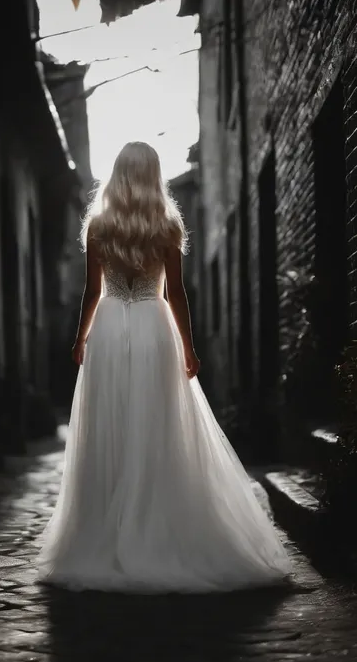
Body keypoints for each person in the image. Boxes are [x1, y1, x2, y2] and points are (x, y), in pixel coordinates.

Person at [37, 141, 291, 593]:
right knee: (158, 427)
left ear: (117, 175)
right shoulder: (167, 225)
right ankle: (159, 524)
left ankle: (108, 533)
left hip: (111, 329)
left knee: (111, 427)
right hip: (155, 328)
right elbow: (176, 293)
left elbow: (92, 293)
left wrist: (81, 338)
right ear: (154, 176)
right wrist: (189, 348)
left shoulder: (99, 225)